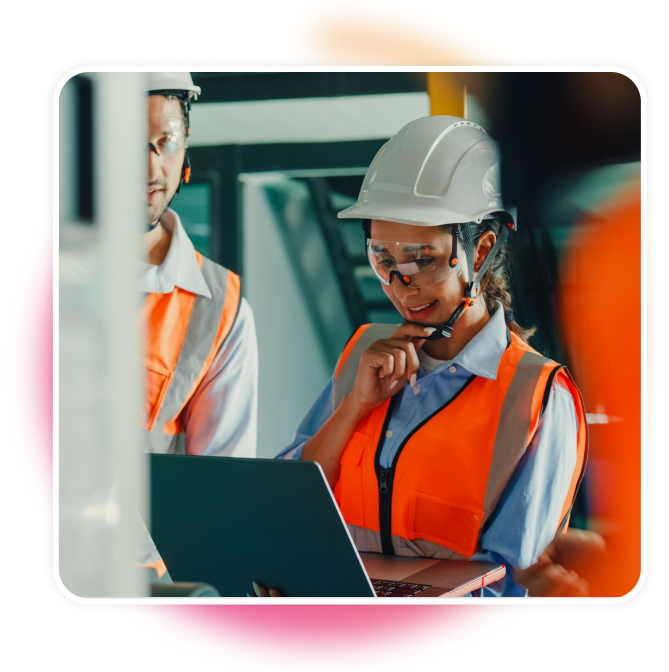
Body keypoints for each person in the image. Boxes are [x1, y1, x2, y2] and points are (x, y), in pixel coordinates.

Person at [276, 115, 588, 597]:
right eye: (384, 259)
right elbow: (288, 502)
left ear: (480, 250)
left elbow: (513, 587)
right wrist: (354, 407)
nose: (404, 283)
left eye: (422, 258)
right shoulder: (362, 353)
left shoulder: (537, 395)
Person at [139, 73, 258, 575]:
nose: (149, 166)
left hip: (134, 580)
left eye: (165, 142)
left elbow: (219, 491)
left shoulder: (221, 310)